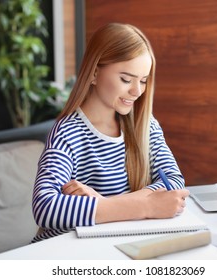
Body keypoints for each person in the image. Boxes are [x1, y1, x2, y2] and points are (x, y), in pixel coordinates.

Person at [32, 22, 189, 242]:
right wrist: (143, 206)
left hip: (111, 246)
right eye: (126, 79)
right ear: (94, 73)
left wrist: (106, 203)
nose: (136, 91)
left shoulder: (145, 125)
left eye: (143, 81)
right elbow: (45, 207)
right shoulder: (67, 133)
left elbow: (173, 182)